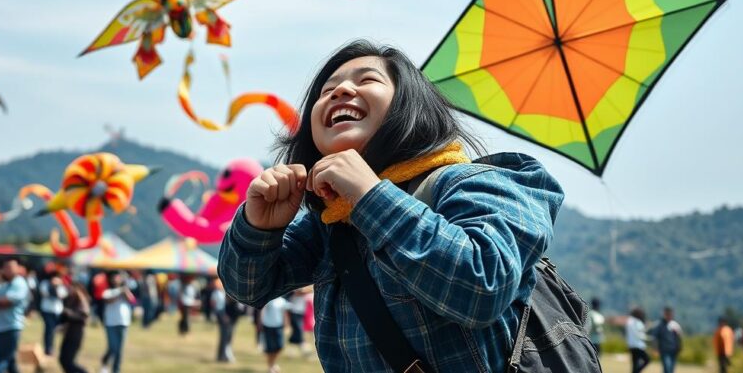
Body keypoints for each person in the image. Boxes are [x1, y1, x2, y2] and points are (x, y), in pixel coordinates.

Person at [218, 40, 563, 372]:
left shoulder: (487, 181)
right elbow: (247, 286)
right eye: (327, 91)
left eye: (367, 79)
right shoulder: (330, 222)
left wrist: (370, 195)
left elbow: (481, 287)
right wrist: (259, 228)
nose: (339, 91)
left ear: (408, 105)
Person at [99, 271, 134, 373]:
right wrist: (120, 292)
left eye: (118, 278)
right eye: (114, 278)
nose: (116, 280)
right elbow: (108, 300)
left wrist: (125, 290)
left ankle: (116, 370)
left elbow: (133, 301)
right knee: (113, 347)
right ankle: (105, 361)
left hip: (123, 322)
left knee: (119, 350)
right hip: (110, 323)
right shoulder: (108, 291)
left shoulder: (125, 290)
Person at [59, 283, 89, 373]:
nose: (70, 290)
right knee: (62, 359)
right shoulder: (70, 300)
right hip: (68, 333)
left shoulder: (81, 300)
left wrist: (69, 313)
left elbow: (84, 315)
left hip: (76, 334)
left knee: (69, 361)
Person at [37, 271, 67, 356]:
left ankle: (51, 347)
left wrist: (57, 287)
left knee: (54, 329)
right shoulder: (45, 283)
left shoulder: (61, 286)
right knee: (49, 329)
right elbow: (44, 294)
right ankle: (48, 348)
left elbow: (62, 295)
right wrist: (52, 286)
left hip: (57, 310)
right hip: (46, 309)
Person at [649, 306, 683, 373]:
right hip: (664, 350)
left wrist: (679, 347)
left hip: (674, 350)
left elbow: (679, 337)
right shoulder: (659, 324)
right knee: (667, 368)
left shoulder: (675, 325)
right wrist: (655, 349)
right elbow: (654, 337)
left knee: (671, 369)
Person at [261, 295, 288, 373]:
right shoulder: (269, 300)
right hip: (268, 325)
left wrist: (286, 324)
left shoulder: (282, 301)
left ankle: (273, 363)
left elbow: (285, 313)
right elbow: (263, 311)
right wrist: (261, 323)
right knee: (270, 348)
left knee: (279, 346)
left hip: (278, 326)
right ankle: (270, 366)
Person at [209, 279, 234, 363]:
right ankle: (222, 356)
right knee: (224, 336)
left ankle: (222, 355)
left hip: (223, 313)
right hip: (220, 314)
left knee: (224, 337)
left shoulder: (221, 292)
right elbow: (215, 305)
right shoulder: (216, 293)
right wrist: (222, 315)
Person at [625, 308, 650, 373]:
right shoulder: (636, 322)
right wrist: (648, 338)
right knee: (647, 360)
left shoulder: (629, 321)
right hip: (638, 345)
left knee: (635, 364)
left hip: (632, 345)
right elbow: (640, 334)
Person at [287, 288, 308, 354]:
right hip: (294, 311)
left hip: (301, 311)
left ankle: (292, 347)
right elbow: (300, 292)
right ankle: (302, 344)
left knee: (296, 330)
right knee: (298, 328)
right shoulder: (295, 288)